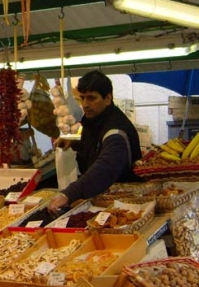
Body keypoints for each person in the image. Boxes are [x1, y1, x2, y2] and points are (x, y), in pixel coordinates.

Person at [47, 70, 143, 213]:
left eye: (91, 98)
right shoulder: (95, 120)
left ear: (108, 98)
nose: (85, 104)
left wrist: (70, 193)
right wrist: (75, 142)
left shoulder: (116, 131)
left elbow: (105, 167)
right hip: (105, 201)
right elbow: (95, 142)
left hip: (126, 206)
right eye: (82, 98)